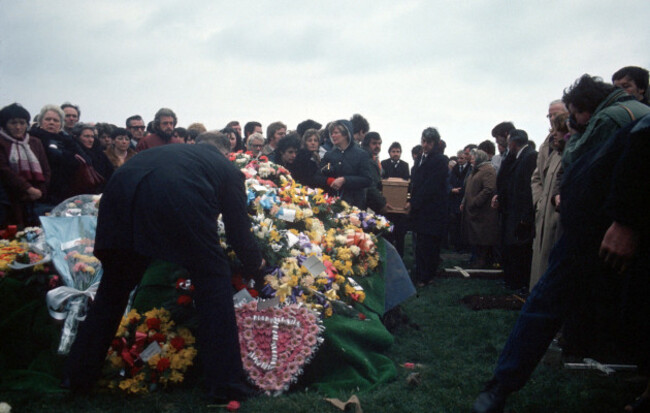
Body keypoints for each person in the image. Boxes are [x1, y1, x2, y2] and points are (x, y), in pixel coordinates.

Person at [472, 76, 650, 413]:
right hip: (606, 227)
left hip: (593, 232)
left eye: (573, 115)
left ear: (585, 109)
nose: (572, 123)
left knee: (544, 305)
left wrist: (625, 219)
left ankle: (499, 387)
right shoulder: (634, 112)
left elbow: (578, 158)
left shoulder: (611, 118)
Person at [64, 141, 265, 403]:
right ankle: (226, 385)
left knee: (113, 290)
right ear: (224, 154)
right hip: (174, 194)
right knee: (214, 281)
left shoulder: (174, 154)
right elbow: (238, 231)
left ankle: (78, 376)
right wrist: (256, 264)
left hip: (120, 191)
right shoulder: (226, 168)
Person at [492, 129, 537, 292]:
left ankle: (519, 282)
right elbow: (503, 179)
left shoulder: (530, 156)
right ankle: (511, 280)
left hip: (520, 212)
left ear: (513, 143)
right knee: (511, 248)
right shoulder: (516, 158)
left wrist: (526, 216)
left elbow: (527, 189)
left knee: (520, 250)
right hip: (511, 210)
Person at [406, 127, 449, 286]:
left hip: (432, 210)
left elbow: (430, 187)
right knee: (420, 244)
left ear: (436, 143)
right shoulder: (419, 159)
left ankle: (426, 276)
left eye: (429, 143)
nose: (425, 145)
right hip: (420, 209)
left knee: (429, 245)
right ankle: (420, 273)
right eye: (423, 141)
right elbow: (415, 184)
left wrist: (413, 203)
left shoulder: (440, 160)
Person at [529, 113, 567, 290]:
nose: (554, 133)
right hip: (544, 213)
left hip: (558, 217)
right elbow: (536, 178)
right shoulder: (549, 148)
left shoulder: (568, 154)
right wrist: (540, 202)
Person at [0, 103, 50, 228]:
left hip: (34, 200)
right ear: (5, 124)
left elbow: (46, 169)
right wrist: (28, 189)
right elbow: (4, 170)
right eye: (13, 123)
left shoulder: (35, 142)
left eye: (22, 123)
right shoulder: (2, 142)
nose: (18, 127)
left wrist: (39, 191)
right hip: (8, 199)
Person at [29, 104, 84, 206]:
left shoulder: (68, 140)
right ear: (40, 122)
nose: (51, 122)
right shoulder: (32, 139)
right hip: (41, 190)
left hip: (65, 191)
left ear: (61, 124)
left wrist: (61, 154)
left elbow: (80, 160)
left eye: (55, 120)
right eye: (48, 119)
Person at [313, 120, 372, 208]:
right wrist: (330, 181)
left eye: (336, 133)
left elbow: (367, 180)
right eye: (331, 133)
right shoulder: (329, 155)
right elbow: (318, 176)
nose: (332, 136)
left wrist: (345, 180)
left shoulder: (362, 155)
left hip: (354, 205)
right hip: (332, 204)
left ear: (346, 134)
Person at [460, 149, 498, 268]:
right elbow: (468, 188)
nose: (471, 159)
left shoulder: (488, 170)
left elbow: (488, 189)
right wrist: (464, 202)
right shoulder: (475, 170)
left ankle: (482, 262)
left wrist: (475, 202)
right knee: (474, 237)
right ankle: (475, 260)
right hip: (473, 211)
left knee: (482, 238)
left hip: (483, 212)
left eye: (473, 157)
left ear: (480, 158)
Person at [71, 123, 114, 194]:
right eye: (87, 136)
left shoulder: (99, 153)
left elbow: (110, 172)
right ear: (77, 137)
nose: (91, 140)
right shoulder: (73, 154)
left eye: (92, 137)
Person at [449, 150, 470, 251]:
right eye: (458, 158)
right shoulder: (455, 169)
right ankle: (392, 236)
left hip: (463, 198)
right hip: (455, 198)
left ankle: (462, 245)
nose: (459, 160)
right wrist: (451, 189)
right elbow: (449, 181)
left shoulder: (469, 168)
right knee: (455, 223)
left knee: (462, 224)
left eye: (462, 158)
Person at [361, 132, 387, 214]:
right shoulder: (367, 160)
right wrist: (382, 204)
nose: (377, 146)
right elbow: (371, 186)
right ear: (367, 144)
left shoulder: (374, 159)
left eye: (379, 143)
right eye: (374, 143)